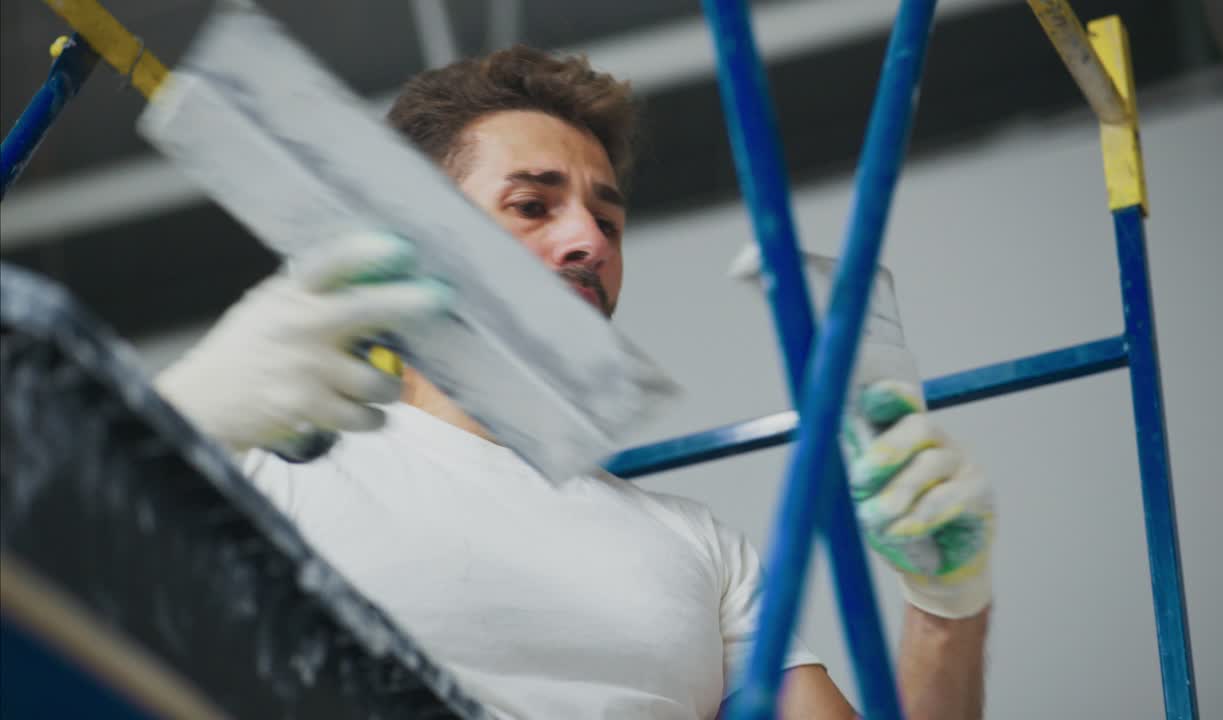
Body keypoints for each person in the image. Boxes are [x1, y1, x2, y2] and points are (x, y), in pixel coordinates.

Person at [155, 46, 993, 719]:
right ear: (415, 232)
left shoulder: (698, 549)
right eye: (532, 205)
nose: (589, 239)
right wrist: (169, 427)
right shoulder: (267, 473)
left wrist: (948, 609)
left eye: (608, 217)